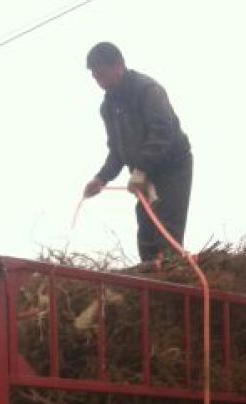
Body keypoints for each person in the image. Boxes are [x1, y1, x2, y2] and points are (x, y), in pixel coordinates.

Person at [83, 42, 193, 262]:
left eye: (102, 74)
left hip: (172, 167)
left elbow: (162, 132)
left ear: (118, 66)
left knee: (165, 230)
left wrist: (141, 169)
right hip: (145, 174)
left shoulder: (147, 90)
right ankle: (150, 277)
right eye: (95, 77)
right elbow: (117, 151)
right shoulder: (109, 107)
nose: (99, 81)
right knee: (146, 232)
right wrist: (101, 178)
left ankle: (170, 270)